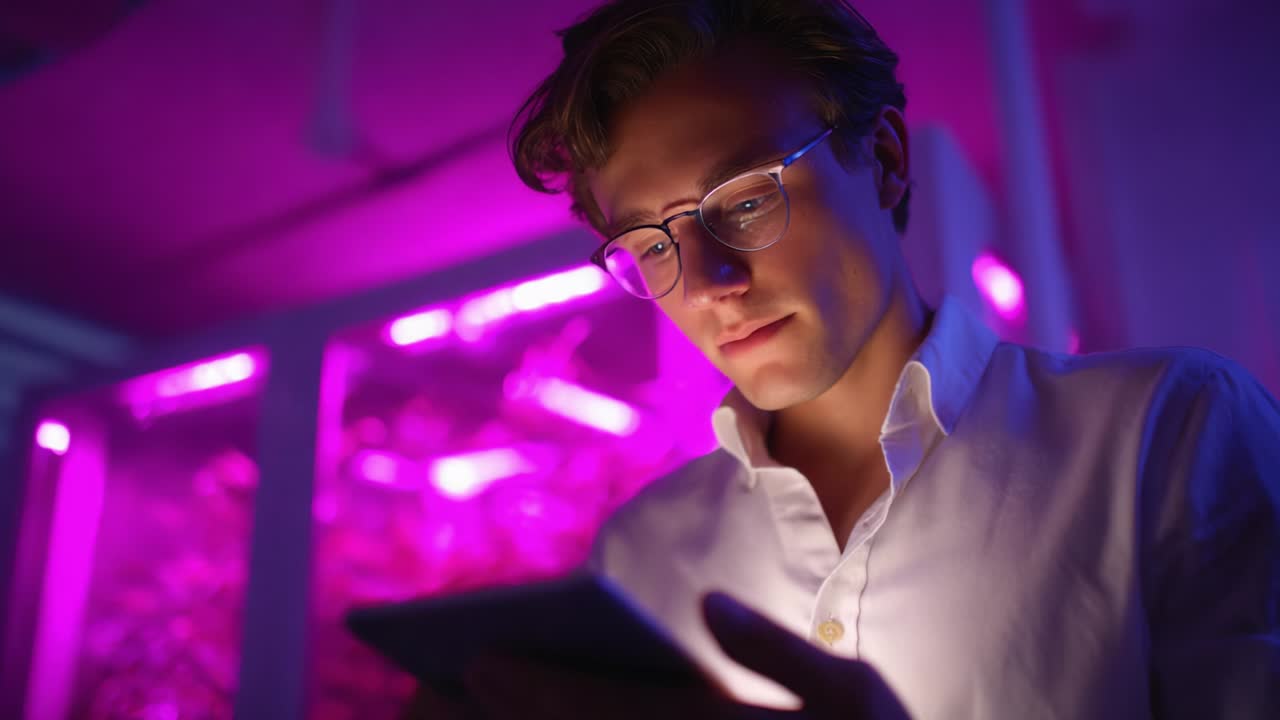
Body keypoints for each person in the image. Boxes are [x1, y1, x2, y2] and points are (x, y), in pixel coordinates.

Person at [405, 0, 1280, 717]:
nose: (709, 281)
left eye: (743, 202)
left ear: (887, 160)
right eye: (652, 244)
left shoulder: (1168, 433)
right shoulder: (639, 555)